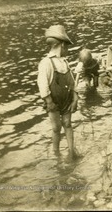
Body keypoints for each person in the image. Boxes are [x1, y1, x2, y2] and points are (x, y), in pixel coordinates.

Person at [37, 25, 79, 160]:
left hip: (66, 100)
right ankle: (56, 153)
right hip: (53, 102)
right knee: (56, 128)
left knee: (67, 124)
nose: (67, 49)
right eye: (66, 46)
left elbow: (72, 83)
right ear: (61, 45)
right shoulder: (46, 63)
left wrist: (75, 97)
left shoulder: (64, 62)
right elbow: (43, 85)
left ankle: (71, 151)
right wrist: (49, 102)